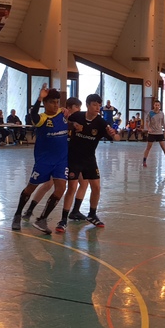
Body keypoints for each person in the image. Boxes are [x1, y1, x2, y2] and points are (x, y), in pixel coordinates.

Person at [55, 94, 119, 232]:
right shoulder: (77, 116)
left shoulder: (101, 123)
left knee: (96, 187)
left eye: (99, 105)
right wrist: (65, 115)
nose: (97, 108)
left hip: (89, 159)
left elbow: (117, 138)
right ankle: (63, 219)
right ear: (88, 105)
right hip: (74, 158)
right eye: (94, 104)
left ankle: (92, 214)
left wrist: (113, 134)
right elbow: (62, 121)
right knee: (72, 187)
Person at [11, 86, 69, 234]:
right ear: (45, 103)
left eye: (57, 102)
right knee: (31, 187)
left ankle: (42, 219)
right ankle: (18, 214)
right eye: (52, 102)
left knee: (61, 188)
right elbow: (34, 115)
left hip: (61, 160)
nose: (55, 105)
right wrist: (39, 98)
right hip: (44, 160)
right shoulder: (42, 118)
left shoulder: (63, 113)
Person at [142, 100, 165, 168]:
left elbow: (163, 123)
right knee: (148, 147)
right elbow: (147, 122)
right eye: (156, 105)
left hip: (159, 132)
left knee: (164, 147)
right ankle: (144, 161)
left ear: (159, 106)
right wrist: (148, 128)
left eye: (158, 105)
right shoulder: (150, 113)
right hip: (152, 133)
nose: (157, 106)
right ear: (154, 105)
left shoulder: (161, 113)